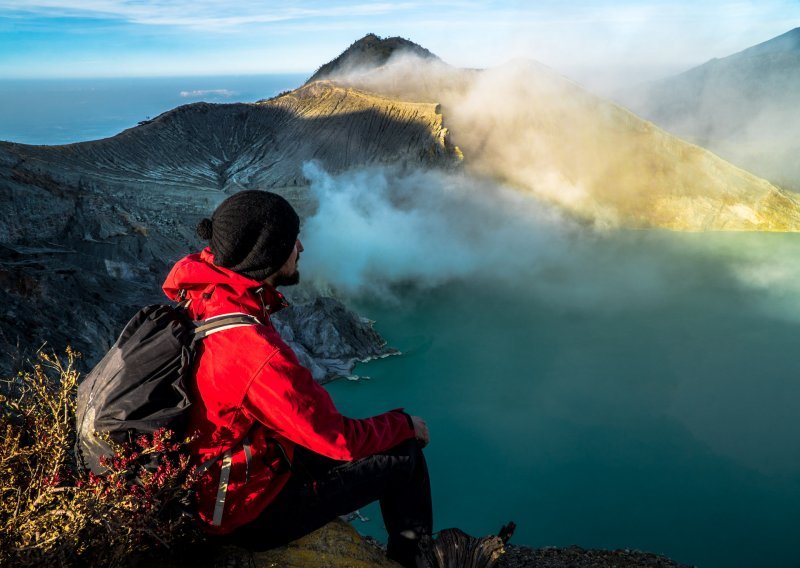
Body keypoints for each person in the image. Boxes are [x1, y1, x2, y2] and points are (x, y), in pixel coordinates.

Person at [162, 190, 432, 566]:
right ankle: (412, 562)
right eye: (292, 240)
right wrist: (404, 424)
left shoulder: (212, 296)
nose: (301, 247)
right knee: (404, 457)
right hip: (246, 513)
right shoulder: (253, 349)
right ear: (266, 252)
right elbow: (338, 440)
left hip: (227, 477)